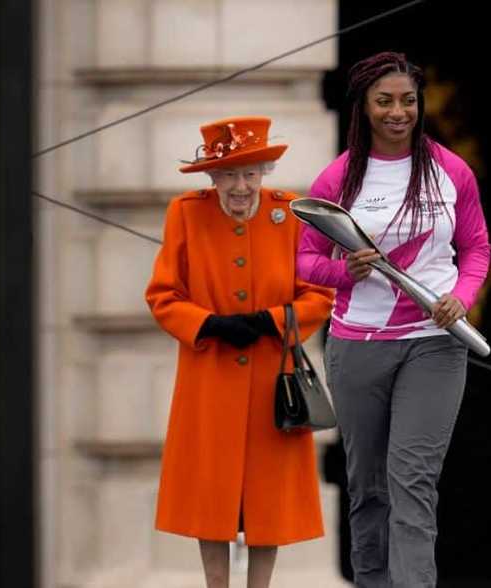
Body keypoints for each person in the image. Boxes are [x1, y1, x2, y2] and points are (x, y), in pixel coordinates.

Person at [297, 52, 491, 587]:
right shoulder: (339, 176)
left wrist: (462, 295)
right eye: (385, 101)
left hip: (435, 342)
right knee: (369, 487)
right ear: (364, 105)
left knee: (413, 481)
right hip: (357, 346)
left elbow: (476, 248)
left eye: (407, 100)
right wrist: (345, 271)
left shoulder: (452, 170)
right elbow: (305, 261)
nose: (397, 112)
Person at [146, 116, 333, 588]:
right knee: (211, 497)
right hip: (209, 375)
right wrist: (208, 323)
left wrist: (268, 321)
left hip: (274, 377)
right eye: (229, 174)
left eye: (251, 173)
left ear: (265, 171)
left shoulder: (290, 213)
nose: (241, 186)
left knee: (268, 499)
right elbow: (162, 295)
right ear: (212, 177)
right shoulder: (186, 213)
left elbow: (320, 294)